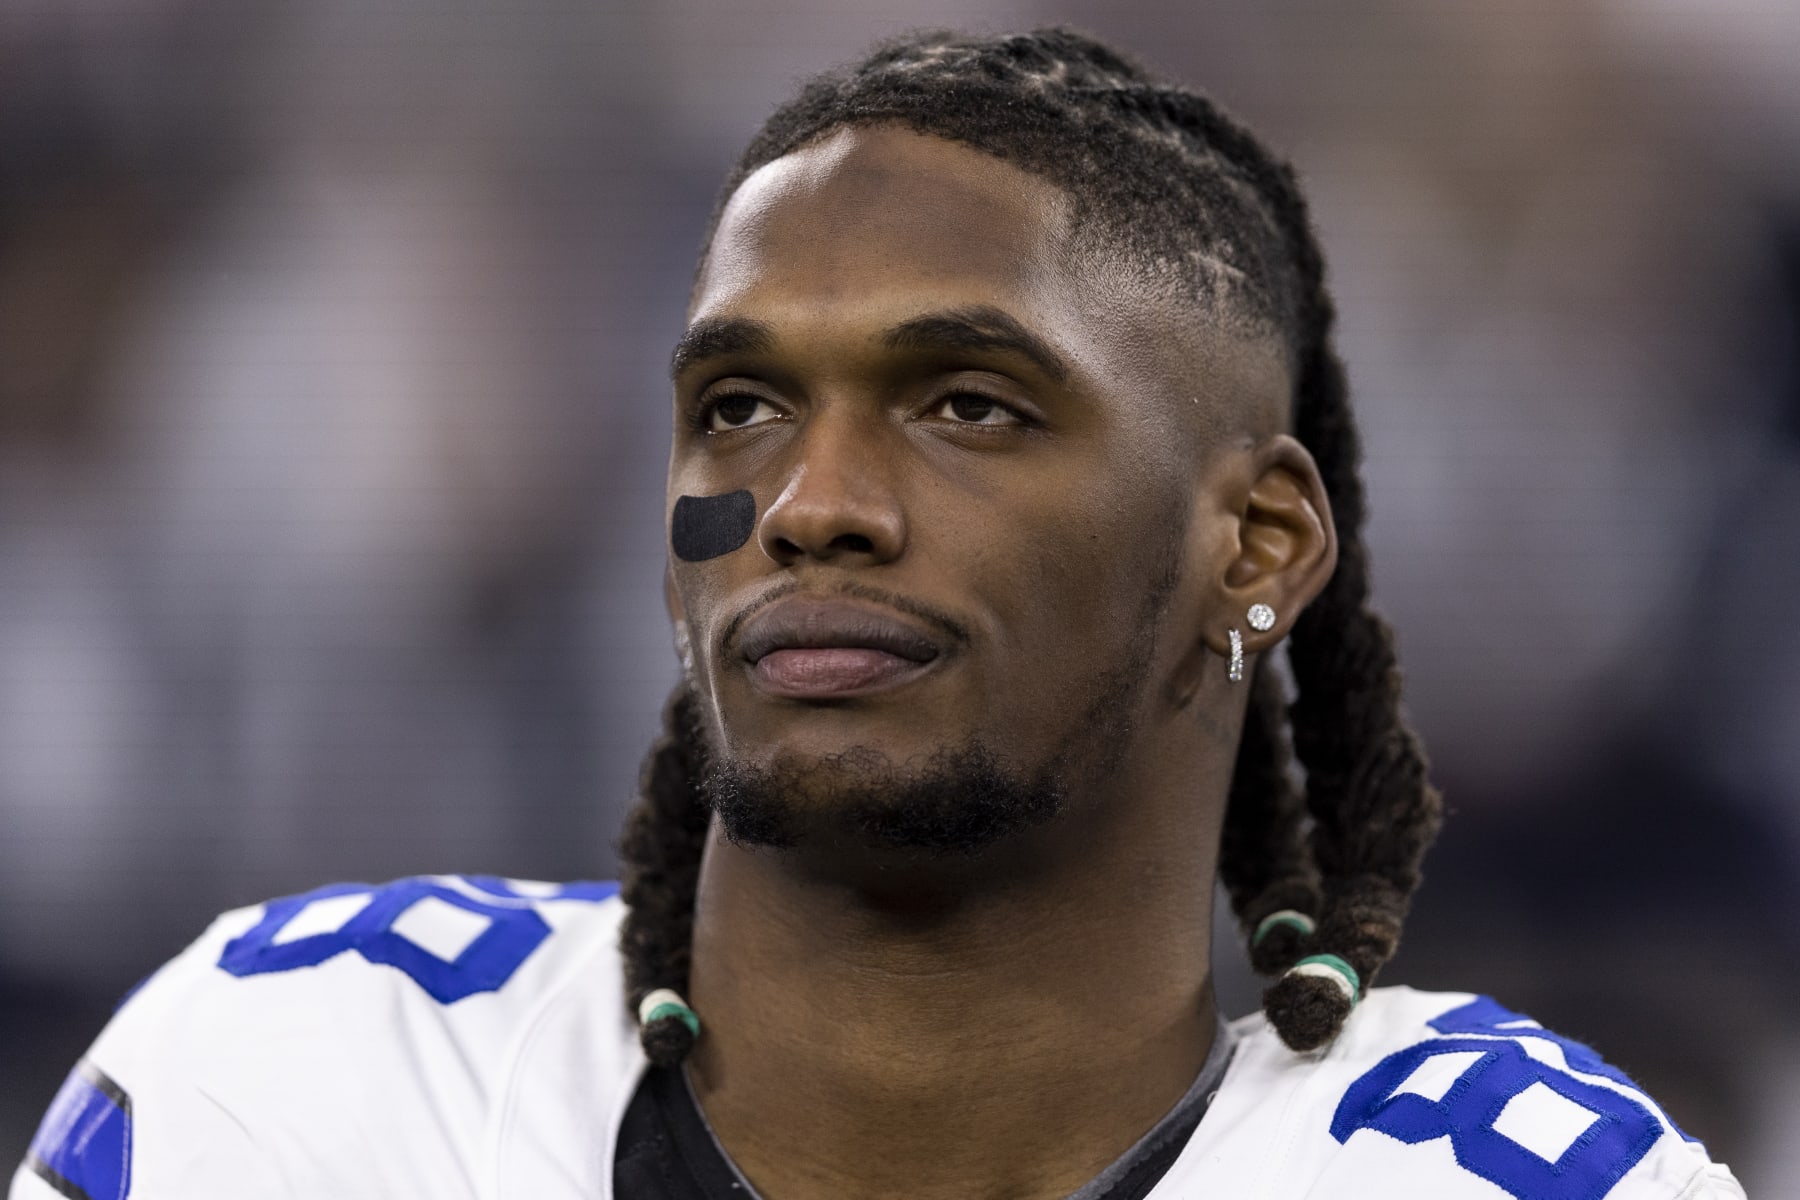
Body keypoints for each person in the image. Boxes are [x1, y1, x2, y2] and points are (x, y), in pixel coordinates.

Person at [10, 27, 1745, 1200]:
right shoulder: (301, 1085)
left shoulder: (1488, 1179)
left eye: (970, 406)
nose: (809, 502)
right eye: (741, 407)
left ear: (1256, 548)